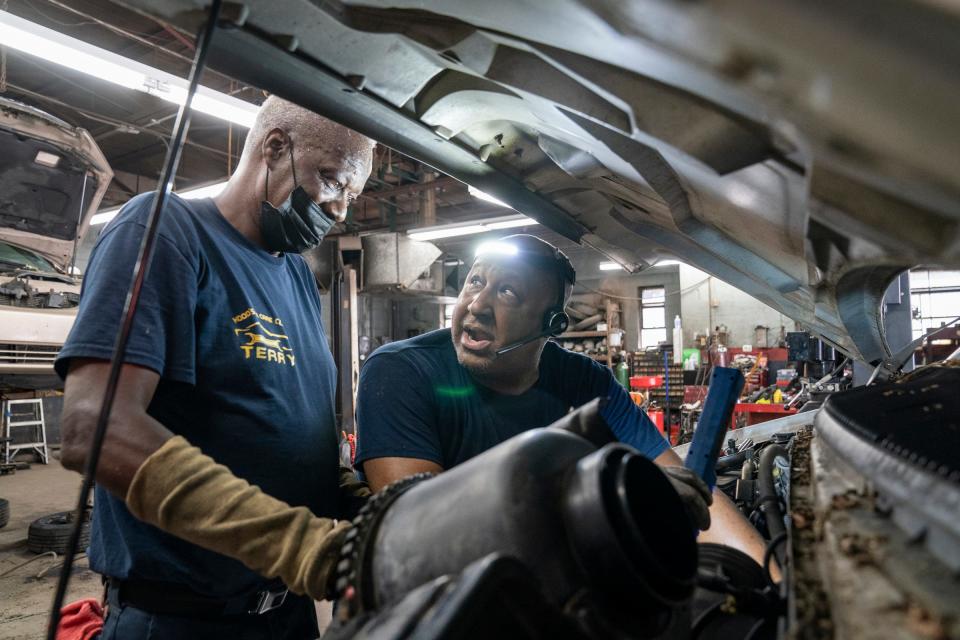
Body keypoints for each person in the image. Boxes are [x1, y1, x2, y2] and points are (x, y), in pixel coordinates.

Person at [57, 96, 374, 639]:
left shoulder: (296, 276)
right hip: (181, 620)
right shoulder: (166, 229)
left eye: (352, 194)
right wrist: (302, 546)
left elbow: (276, 428)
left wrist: (360, 502)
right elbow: (95, 428)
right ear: (276, 147)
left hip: (286, 614)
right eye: (333, 180)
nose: (342, 208)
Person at [355, 234, 770, 567]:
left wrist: (774, 584)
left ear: (551, 323)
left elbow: (688, 493)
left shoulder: (585, 382)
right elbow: (417, 530)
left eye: (508, 293)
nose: (477, 305)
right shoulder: (399, 373)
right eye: (476, 282)